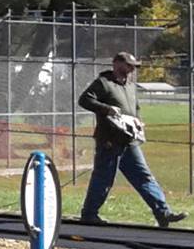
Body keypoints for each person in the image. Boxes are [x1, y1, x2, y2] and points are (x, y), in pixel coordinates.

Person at [77, 50, 185, 228]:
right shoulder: (103, 83)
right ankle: (89, 214)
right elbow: (84, 100)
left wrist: (138, 122)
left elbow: (135, 108)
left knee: (144, 176)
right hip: (109, 141)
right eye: (128, 65)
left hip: (129, 140)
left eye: (133, 66)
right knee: (103, 178)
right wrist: (107, 109)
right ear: (116, 64)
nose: (131, 69)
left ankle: (163, 213)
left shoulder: (131, 86)